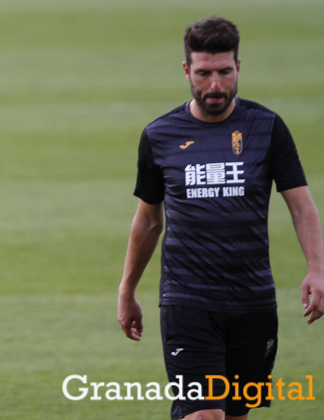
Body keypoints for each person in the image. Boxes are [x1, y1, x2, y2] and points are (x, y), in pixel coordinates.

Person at [117, 16, 324, 420]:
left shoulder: (267, 128)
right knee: (203, 415)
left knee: (233, 416)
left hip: (252, 300)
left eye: (225, 72)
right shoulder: (159, 135)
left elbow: (301, 206)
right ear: (186, 71)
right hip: (188, 300)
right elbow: (148, 220)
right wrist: (127, 290)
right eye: (204, 73)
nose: (215, 85)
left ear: (239, 67)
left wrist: (316, 268)